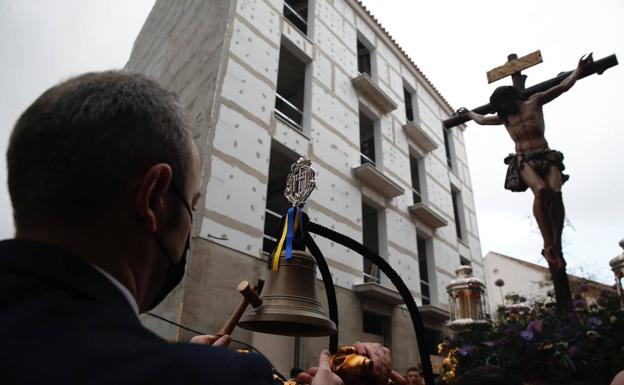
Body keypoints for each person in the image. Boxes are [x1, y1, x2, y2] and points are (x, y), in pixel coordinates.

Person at [0, 71, 401, 385]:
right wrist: (189, 369)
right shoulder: (212, 378)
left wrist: (182, 360)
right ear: (155, 198)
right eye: (191, 205)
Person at [458, 54, 593, 269]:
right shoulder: (505, 119)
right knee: (540, 191)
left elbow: (563, 86)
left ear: (512, 97)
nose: (503, 107)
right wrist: (469, 113)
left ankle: (556, 241)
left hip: (546, 156)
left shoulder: (534, 102)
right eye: (499, 105)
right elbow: (483, 120)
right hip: (524, 160)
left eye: (504, 102)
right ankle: (548, 244)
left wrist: (578, 70)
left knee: (555, 193)